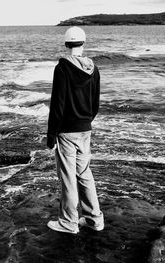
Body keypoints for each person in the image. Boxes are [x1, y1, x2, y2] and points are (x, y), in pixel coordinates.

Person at [46, 26, 104, 234]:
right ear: (83, 43)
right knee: (84, 173)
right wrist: (86, 121)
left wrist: (51, 135)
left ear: (66, 43)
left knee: (68, 177)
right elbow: (95, 103)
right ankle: (94, 219)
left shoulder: (62, 68)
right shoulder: (94, 68)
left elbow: (58, 105)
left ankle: (69, 222)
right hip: (85, 129)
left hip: (67, 131)